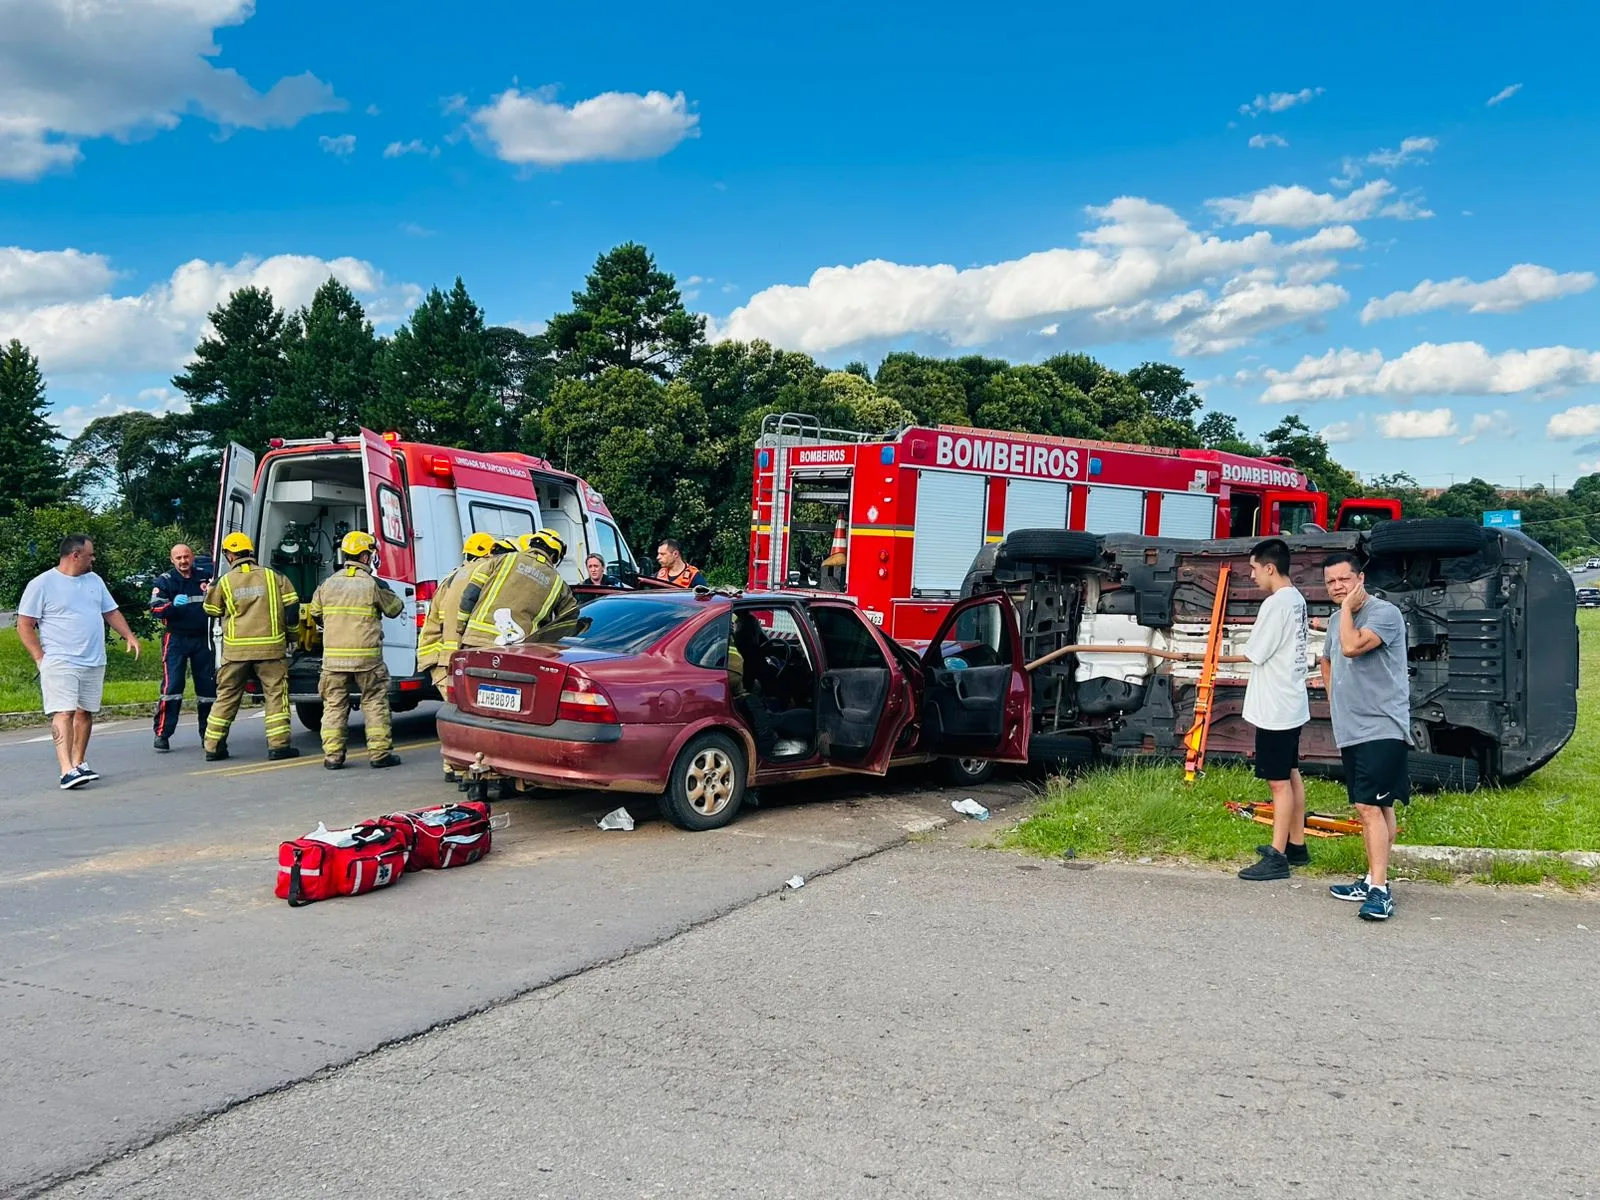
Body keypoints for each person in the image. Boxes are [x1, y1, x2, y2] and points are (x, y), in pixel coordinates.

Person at [1321, 551, 1412, 922]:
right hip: (1351, 728)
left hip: (1382, 725)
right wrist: (1335, 703)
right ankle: (1373, 877)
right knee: (1381, 805)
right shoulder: (1332, 619)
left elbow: (1351, 647)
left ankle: (1379, 891)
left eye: (1344, 579)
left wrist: (1346, 611)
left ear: (1360, 579)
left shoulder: (1384, 614)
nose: (1337, 587)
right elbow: (1328, 659)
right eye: (1330, 582)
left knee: (1367, 807)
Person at [16, 535, 142, 790]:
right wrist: (40, 657)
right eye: (90, 554)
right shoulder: (42, 584)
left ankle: (79, 762)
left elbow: (111, 611)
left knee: (85, 711)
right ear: (75, 555)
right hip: (60, 660)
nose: (93, 558)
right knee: (64, 711)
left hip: (93, 659)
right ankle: (66, 771)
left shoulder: (94, 581)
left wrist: (128, 635)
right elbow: (24, 624)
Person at [1233, 538, 1312, 882]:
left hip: (1275, 707)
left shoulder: (1276, 604)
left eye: (1253, 568)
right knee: (1291, 773)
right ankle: (1297, 845)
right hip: (1291, 701)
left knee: (1277, 782)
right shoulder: (1297, 600)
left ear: (1269, 567)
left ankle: (1277, 856)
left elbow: (1255, 652)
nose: (1251, 575)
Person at [305, 531, 406, 770]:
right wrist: (383, 587)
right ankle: (380, 754)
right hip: (367, 660)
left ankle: (332, 757)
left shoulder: (328, 583)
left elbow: (315, 612)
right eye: (370, 554)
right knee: (374, 703)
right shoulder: (372, 584)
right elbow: (395, 609)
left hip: (333, 661)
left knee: (333, 706)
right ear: (363, 556)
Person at [201, 532, 301, 762]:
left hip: (236, 652)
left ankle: (213, 747)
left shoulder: (224, 581)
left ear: (230, 554)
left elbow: (212, 611)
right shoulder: (273, 576)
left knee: (226, 696)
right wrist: (292, 636)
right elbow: (293, 608)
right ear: (250, 552)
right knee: (275, 696)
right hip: (271, 650)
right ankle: (278, 746)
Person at [459, 529, 579, 649]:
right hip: (516, 650)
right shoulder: (558, 583)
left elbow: (470, 594)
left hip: (476, 641)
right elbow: (570, 618)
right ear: (554, 555)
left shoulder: (504, 559)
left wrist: (461, 628)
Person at [150, 543, 216, 752]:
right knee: (172, 688)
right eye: (178, 558)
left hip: (203, 639)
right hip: (176, 639)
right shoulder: (165, 580)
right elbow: (155, 608)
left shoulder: (206, 577)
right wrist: (171, 606)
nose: (183, 561)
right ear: (172, 560)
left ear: (192, 557)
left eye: (186, 556)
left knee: (207, 689)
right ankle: (163, 734)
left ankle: (208, 734)